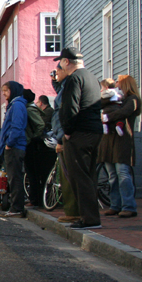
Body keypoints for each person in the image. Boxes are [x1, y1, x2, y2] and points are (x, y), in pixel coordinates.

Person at [56, 47, 103, 230]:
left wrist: (67, 131)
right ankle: (91, 216)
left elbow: (70, 107)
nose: (60, 64)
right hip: (94, 131)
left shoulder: (74, 79)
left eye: (61, 61)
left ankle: (89, 218)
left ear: (66, 61)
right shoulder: (92, 77)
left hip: (79, 133)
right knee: (89, 175)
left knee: (78, 176)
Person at [98, 74, 142, 218]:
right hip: (109, 141)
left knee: (123, 174)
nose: (116, 84)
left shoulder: (133, 100)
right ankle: (115, 205)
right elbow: (101, 104)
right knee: (112, 176)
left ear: (125, 84)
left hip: (123, 141)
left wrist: (108, 117)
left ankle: (129, 206)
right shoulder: (117, 99)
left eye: (118, 82)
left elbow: (125, 112)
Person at [50, 65, 79, 223]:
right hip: (65, 135)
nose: (55, 74)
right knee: (68, 176)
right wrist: (55, 83)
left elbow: (65, 113)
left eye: (57, 71)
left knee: (67, 177)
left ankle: (73, 211)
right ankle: (73, 210)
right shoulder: (65, 86)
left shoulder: (69, 86)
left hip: (66, 137)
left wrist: (61, 138)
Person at [0, 81, 27, 217]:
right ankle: (15, 207)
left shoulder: (17, 106)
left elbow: (16, 126)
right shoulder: (15, 105)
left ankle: (17, 208)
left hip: (15, 147)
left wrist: (9, 143)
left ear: (12, 91)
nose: (3, 93)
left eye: (5, 90)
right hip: (13, 146)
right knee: (13, 177)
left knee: (15, 178)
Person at [23, 88, 48, 208]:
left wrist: (34, 137)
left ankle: (35, 199)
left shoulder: (29, 109)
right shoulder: (30, 108)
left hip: (33, 145)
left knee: (33, 173)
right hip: (34, 144)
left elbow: (40, 124)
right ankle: (35, 198)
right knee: (33, 173)